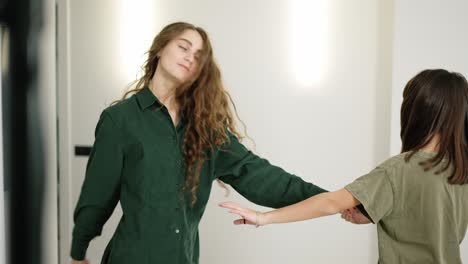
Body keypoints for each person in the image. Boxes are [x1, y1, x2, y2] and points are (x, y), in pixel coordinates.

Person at [70, 21, 360, 264]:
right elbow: (97, 195)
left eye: (198, 56)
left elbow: (261, 176)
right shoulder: (120, 120)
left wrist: (332, 200)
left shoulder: (205, 128)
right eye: (183, 47)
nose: (189, 57)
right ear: (160, 48)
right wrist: (78, 252)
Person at [220, 69, 468, 263]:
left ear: (415, 112)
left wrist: (263, 217)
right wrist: (371, 212)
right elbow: (423, 220)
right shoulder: (460, 174)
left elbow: (331, 202)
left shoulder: (399, 171)